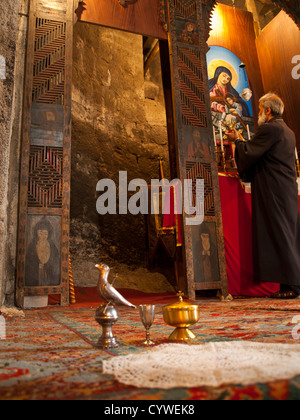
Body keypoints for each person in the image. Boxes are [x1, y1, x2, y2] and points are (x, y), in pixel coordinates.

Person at [226, 92, 300, 299]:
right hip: (286, 190)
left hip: (274, 190)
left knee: (280, 235)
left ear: (268, 110)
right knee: (287, 235)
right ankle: (291, 284)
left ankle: (291, 287)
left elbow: (250, 152)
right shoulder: (288, 131)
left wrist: (237, 141)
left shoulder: (269, 128)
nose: (258, 114)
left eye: (259, 110)